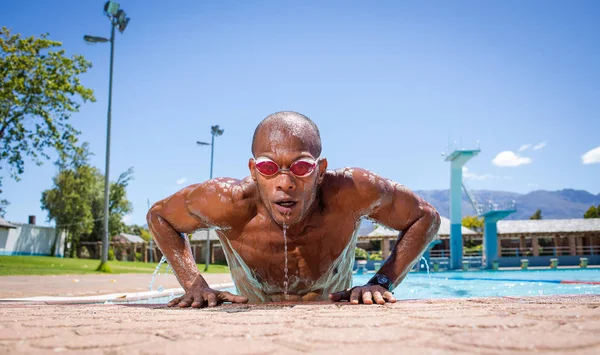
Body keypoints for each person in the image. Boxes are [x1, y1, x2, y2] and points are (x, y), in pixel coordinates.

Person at [147, 111, 440, 307]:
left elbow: (425, 217)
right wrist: (194, 285)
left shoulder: (353, 193)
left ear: (320, 170)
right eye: (268, 167)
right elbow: (159, 216)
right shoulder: (227, 202)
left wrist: (381, 282)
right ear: (253, 170)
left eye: (301, 167)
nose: (285, 182)